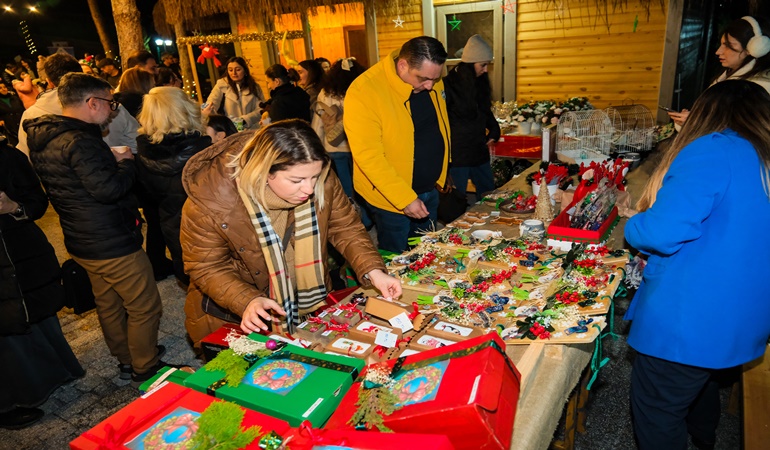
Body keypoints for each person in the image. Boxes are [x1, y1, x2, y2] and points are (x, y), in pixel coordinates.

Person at [626, 80, 770, 450]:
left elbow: (660, 232)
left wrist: (632, 224)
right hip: (743, 315)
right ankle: (704, 437)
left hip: (690, 318)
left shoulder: (714, 149)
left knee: (657, 410)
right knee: (702, 379)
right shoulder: (762, 156)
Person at [180, 119, 400, 346]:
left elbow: (346, 227)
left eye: (315, 177)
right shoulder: (211, 201)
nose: (309, 188)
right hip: (236, 312)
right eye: (297, 180)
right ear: (264, 172)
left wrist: (372, 270)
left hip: (306, 301)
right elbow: (205, 266)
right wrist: (247, 300)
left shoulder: (315, 173)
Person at [24, 73, 168, 387]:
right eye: (110, 103)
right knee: (144, 304)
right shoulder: (79, 140)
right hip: (111, 240)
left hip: (82, 239)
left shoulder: (47, 136)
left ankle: (127, 359)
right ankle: (146, 366)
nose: (112, 110)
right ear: (92, 103)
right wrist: (126, 161)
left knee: (109, 303)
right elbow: (109, 189)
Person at [0, 141, 85, 430]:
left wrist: (14, 207)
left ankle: (55, 373)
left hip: (23, 254)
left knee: (38, 316)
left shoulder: (8, 156)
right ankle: (8, 403)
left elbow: (36, 201)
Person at [344, 36, 450, 253]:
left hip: (429, 189)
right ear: (403, 65)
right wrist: (404, 199)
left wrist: (444, 167)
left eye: (435, 78)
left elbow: (439, 126)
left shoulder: (430, 79)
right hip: (391, 200)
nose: (430, 86)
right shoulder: (364, 91)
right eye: (423, 79)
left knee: (427, 254)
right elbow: (368, 157)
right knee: (397, 259)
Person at [136, 87, 212, 286]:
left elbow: (147, 200)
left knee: (190, 279)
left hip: (172, 228)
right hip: (209, 230)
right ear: (184, 109)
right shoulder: (204, 151)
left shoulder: (142, 155)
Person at [16, 53, 141, 157]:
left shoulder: (31, 117)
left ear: (49, 82)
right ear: (81, 75)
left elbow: (25, 158)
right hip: (114, 178)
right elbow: (136, 143)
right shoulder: (108, 105)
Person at [669, 16, 770, 126]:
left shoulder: (761, 87)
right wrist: (691, 118)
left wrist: (696, 122)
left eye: (728, 46)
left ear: (754, 48)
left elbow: (745, 131)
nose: (718, 52)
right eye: (721, 45)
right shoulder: (725, 77)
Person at [444, 34, 500, 202]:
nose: (485, 70)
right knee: (457, 198)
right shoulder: (448, 84)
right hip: (458, 153)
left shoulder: (479, 81)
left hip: (478, 148)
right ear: (470, 64)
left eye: (487, 65)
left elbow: (484, 110)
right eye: (483, 65)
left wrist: (494, 129)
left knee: (488, 194)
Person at [310, 57, 366, 201]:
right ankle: (365, 218)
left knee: (345, 186)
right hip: (358, 147)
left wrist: (316, 146)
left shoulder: (326, 92)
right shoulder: (361, 90)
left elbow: (319, 121)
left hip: (333, 145)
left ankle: (351, 213)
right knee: (361, 186)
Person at [202, 56, 265, 131]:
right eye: (230, 70)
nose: (234, 73)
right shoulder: (221, 85)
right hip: (231, 130)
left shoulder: (254, 87)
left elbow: (261, 109)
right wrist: (206, 111)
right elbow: (212, 103)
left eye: (238, 69)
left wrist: (245, 120)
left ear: (245, 70)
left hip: (252, 130)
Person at [0, 81, 24, 146]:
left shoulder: (14, 98)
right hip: (9, 128)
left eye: (4, 87)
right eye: (0, 88)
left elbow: (22, 108)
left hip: (21, 123)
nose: (3, 89)